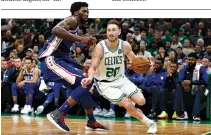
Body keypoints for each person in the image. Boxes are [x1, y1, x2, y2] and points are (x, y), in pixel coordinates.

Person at [38, 2, 107, 133]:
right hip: (50, 59)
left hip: (57, 60)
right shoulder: (72, 20)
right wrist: (80, 39)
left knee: (83, 83)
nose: (87, 14)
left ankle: (91, 121)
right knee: (86, 81)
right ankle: (58, 114)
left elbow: (65, 55)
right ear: (76, 12)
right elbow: (55, 30)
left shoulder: (76, 29)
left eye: (88, 11)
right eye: (84, 11)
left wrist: (80, 66)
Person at [81, 19, 157, 134]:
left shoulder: (125, 45)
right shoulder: (100, 47)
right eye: (108, 30)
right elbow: (93, 67)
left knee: (141, 101)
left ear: (119, 31)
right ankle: (149, 122)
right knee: (127, 104)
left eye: (113, 30)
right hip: (105, 84)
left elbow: (135, 60)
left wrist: (148, 64)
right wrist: (90, 78)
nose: (111, 32)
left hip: (121, 79)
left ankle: (131, 107)